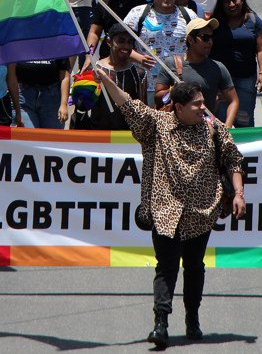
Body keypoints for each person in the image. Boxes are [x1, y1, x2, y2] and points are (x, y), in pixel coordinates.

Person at [94, 73, 245, 347]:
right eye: (197, 104)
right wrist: (105, 79)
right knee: (166, 266)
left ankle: (192, 317)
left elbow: (233, 159)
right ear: (179, 107)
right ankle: (160, 323)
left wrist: (239, 194)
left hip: (202, 212)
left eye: (203, 102)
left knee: (194, 266)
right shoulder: (156, 125)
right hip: (165, 211)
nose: (203, 107)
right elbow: (127, 103)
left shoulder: (214, 128)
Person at [123, 0, 197, 94]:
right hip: (146, 86)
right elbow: (120, 45)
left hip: (181, 87)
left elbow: (199, 47)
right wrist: (139, 58)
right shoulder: (137, 13)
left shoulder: (189, 15)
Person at [155, 19, 239, 125]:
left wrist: (227, 126)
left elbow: (233, 101)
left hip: (205, 129)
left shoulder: (218, 67)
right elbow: (158, 98)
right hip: (175, 129)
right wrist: (173, 90)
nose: (210, 42)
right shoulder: (171, 64)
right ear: (190, 39)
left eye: (212, 37)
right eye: (205, 38)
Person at [210, 0, 262, 127]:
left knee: (244, 121)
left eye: (234, 0)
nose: (231, 4)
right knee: (221, 123)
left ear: (242, 0)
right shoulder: (214, 22)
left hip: (246, 79)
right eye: (226, 1)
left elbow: (261, 49)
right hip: (220, 81)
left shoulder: (253, 20)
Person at [73, 24, 148, 130]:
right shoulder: (94, 69)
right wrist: (83, 88)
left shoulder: (139, 74)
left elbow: (143, 113)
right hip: (98, 135)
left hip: (126, 137)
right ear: (109, 42)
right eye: (121, 41)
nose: (126, 46)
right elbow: (81, 106)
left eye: (130, 42)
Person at [84, 0, 150, 64]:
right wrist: (89, 55)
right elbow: (94, 33)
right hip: (109, 58)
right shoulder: (105, 3)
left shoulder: (146, 3)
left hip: (140, 59)